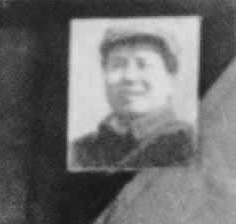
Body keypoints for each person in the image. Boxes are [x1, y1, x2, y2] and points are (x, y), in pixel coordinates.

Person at [70, 23, 197, 170]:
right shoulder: (78, 152)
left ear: (171, 80)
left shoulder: (190, 145)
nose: (130, 77)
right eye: (118, 65)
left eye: (144, 65)